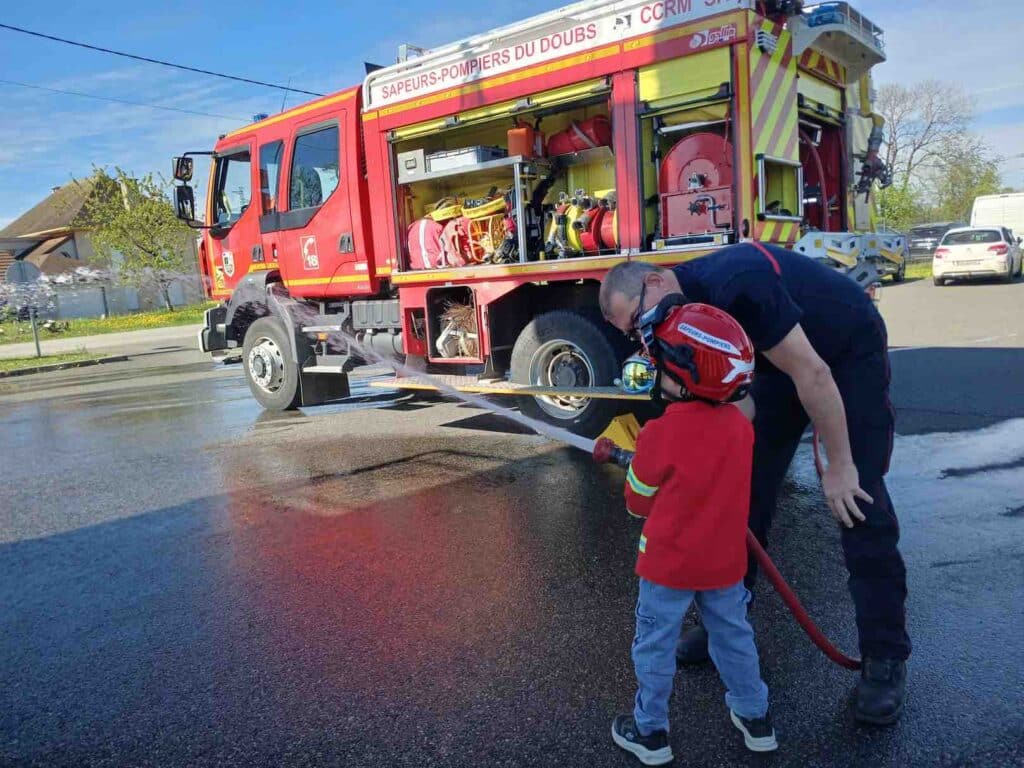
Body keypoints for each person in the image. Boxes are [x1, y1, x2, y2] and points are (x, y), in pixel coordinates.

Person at [599, 242, 910, 726]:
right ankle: (726, 622)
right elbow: (734, 410)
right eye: (634, 336)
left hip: (840, 352)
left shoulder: (736, 281)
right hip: (777, 366)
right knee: (743, 496)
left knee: (858, 500)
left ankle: (884, 658)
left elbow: (814, 372)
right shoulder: (680, 319)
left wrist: (840, 464)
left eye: (640, 321)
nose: (646, 340)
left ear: (656, 281)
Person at [610, 302, 777, 766]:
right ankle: (755, 716)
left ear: (684, 379)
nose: (656, 371)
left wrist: (636, 471)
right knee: (733, 637)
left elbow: (637, 501)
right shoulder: (740, 428)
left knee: (656, 643)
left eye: (661, 365)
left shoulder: (659, 434)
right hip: (724, 565)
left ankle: (650, 732)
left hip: (667, 567)